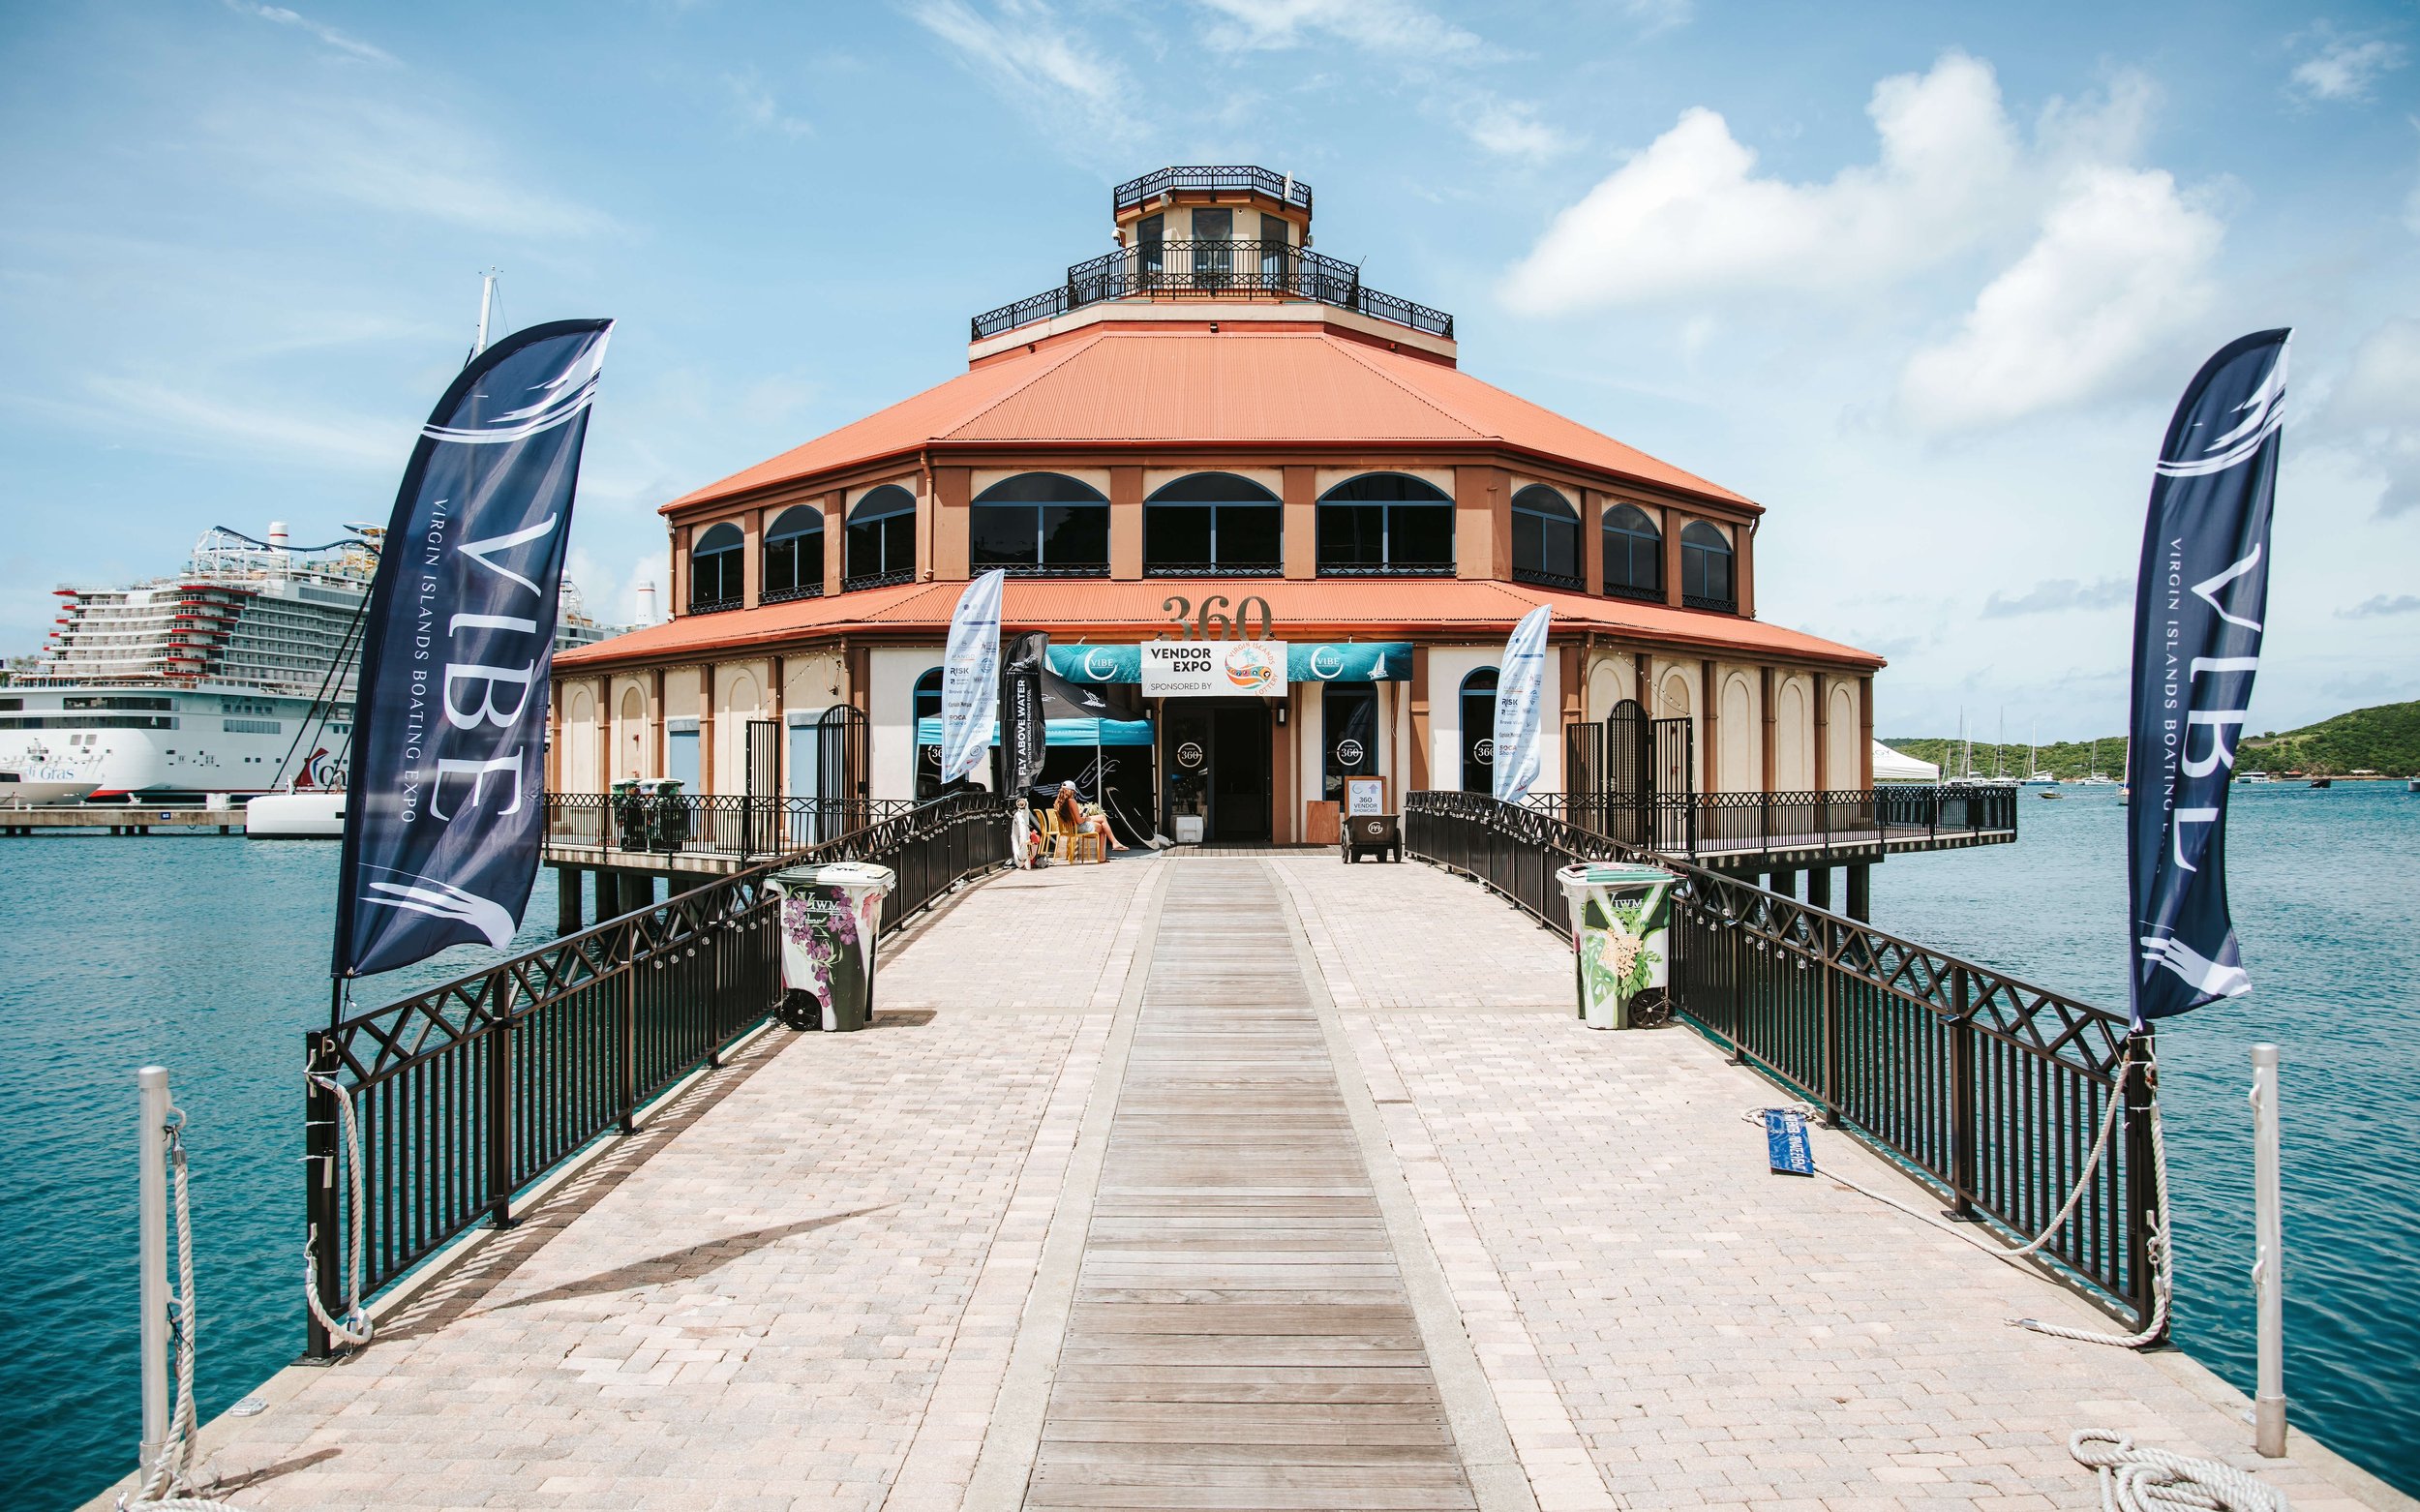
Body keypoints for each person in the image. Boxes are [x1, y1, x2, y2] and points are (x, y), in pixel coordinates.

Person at [1054, 780, 1127, 857]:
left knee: (1102, 817)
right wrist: (1085, 816)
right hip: (1076, 827)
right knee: (1102, 827)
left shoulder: (1057, 802)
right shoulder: (1071, 801)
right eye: (1074, 792)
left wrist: (1080, 815)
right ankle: (1107, 851)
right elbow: (1079, 821)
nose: (1074, 794)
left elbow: (1070, 817)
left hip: (1069, 827)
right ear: (1071, 791)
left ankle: (1114, 843)